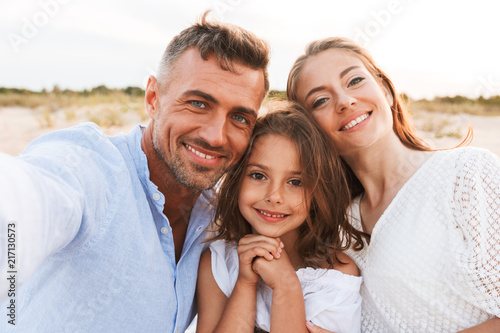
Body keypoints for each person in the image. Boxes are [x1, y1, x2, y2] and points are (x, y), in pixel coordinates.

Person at [0, 12, 269, 332]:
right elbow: (26, 197)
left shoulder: (222, 214)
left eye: (239, 118)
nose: (215, 136)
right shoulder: (90, 166)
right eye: (198, 103)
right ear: (153, 98)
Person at [286, 37, 500, 333]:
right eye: (321, 100)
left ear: (385, 90)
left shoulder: (465, 174)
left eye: (355, 80)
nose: (345, 101)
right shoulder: (338, 228)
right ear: (311, 130)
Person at [196, 102, 366, 333]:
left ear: (317, 193)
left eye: (295, 182)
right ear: (236, 179)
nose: (274, 197)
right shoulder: (218, 263)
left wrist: (286, 285)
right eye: (258, 175)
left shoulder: (334, 274)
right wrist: (245, 283)